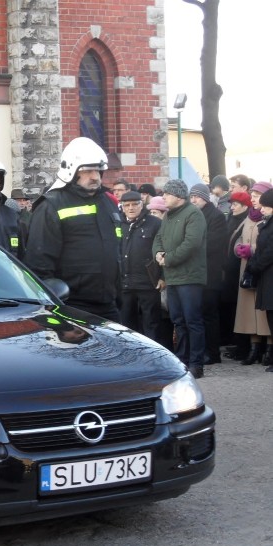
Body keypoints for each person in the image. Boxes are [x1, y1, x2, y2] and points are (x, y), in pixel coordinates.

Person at [24, 137, 122, 321]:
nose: (95, 176)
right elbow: (39, 263)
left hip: (109, 304)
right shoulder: (51, 205)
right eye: (88, 171)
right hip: (71, 306)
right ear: (71, 170)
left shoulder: (107, 203)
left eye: (98, 170)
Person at [153, 179, 208, 378]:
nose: (164, 197)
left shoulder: (194, 214)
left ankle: (196, 363)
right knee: (178, 320)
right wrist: (158, 253)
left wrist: (168, 259)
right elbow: (158, 238)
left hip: (190, 277)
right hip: (173, 277)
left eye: (167, 194)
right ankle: (182, 360)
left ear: (178, 195)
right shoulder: (168, 216)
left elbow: (191, 244)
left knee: (192, 320)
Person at [188, 183, 229, 364]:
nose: (193, 200)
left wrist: (189, 248)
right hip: (196, 272)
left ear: (205, 197)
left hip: (210, 273)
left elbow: (213, 244)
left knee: (209, 314)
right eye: (191, 197)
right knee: (198, 314)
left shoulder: (216, 216)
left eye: (196, 196)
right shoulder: (193, 214)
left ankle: (213, 353)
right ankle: (202, 350)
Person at [231, 189, 271, 366]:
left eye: (257, 197)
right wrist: (238, 248)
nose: (254, 200)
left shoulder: (267, 219)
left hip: (262, 269)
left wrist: (252, 250)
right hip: (248, 269)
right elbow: (238, 238)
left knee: (265, 312)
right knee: (249, 312)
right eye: (253, 197)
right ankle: (253, 348)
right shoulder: (249, 217)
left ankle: (268, 350)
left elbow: (266, 246)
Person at [119, 191, 162, 341]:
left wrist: (162, 277)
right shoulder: (117, 223)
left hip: (148, 282)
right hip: (124, 283)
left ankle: (154, 358)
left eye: (135, 204)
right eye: (127, 205)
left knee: (151, 323)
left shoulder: (154, 223)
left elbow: (162, 250)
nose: (131, 208)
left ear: (141, 204)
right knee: (127, 325)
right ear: (122, 207)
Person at [244, 189, 273, 371]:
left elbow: (269, 252)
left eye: (266, 206)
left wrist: (254, 266)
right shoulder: (267, 224)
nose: (262, 209)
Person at [222, 191, 253, 360]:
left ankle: (243, 346)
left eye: (236, 204)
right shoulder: (230, 219)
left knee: (240, 309)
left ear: (245, 206)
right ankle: (236, 343)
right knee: (232, 309)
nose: (232, 207)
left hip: (239, 271)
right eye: (231, 204)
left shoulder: (247, 221)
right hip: (228, 271)